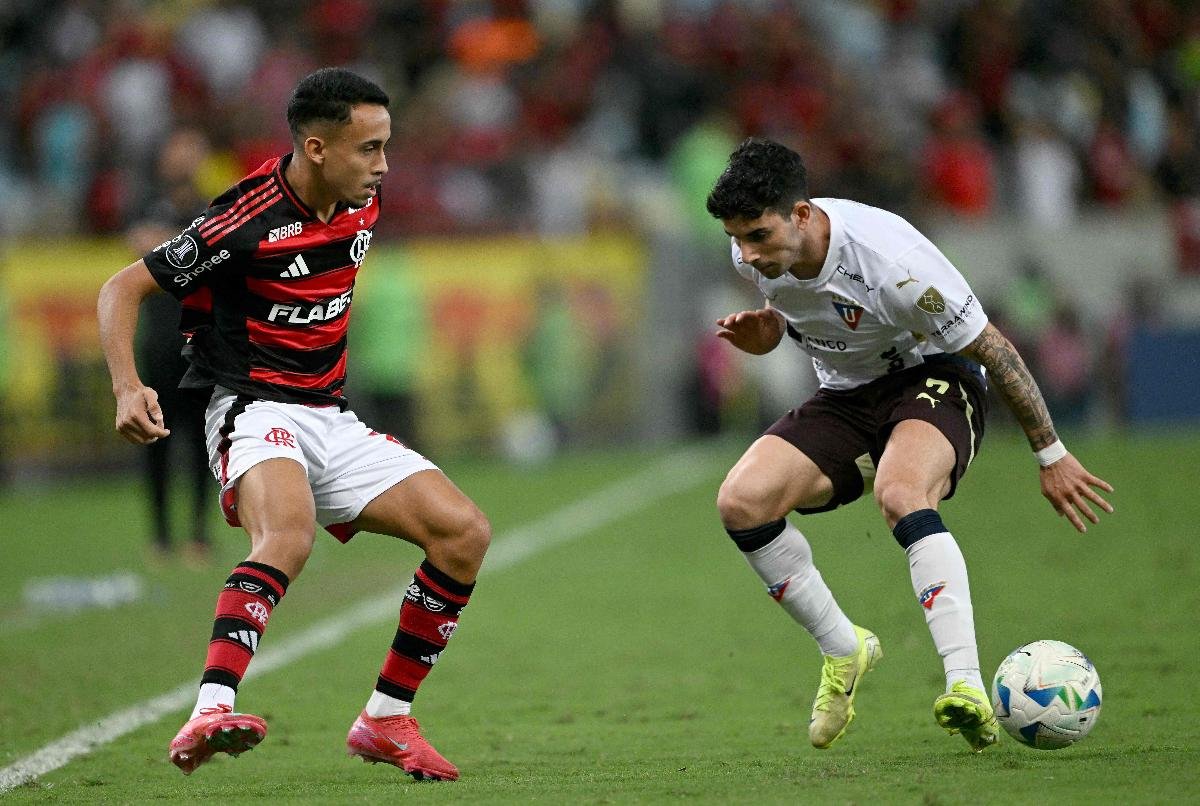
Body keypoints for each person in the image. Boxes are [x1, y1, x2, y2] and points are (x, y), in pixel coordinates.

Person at [97, 68, 490, 781]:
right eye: (368, 149)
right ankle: (210, 708)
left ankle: (386, 719)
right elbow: (121, 289)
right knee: (288, 535)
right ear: (315, 148)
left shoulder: (361, 201)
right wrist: (128, 387)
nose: (384, 165)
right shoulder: (242, 221)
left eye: (386, 146)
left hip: (329, 414)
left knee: (463, 533)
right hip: (251, 406)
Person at [705, 138, 1113, 753]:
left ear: (802, 215)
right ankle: (843, 648)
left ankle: (965, 683)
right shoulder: (754, 254)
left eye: (758, 236)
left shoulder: (892, 263)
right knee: (741, 503)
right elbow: (798, 311)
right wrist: (767, 333)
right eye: (736, 239)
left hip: (935, 378)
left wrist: (1050, 453)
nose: (747, 253)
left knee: (900, 493)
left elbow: (996, 350)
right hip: (848, 396)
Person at [126, 128, 218, 565]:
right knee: (156, 441)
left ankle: (199, 534)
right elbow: (139, 247)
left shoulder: (212, 209)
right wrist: (191, 247)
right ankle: (160, 536)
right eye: (177, 150)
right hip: (158, 344)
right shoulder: (147, 203)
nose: (183, 158)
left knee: (203, 442)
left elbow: (212, 256)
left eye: (191, 151)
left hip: (202, 345)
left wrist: (167, 243)